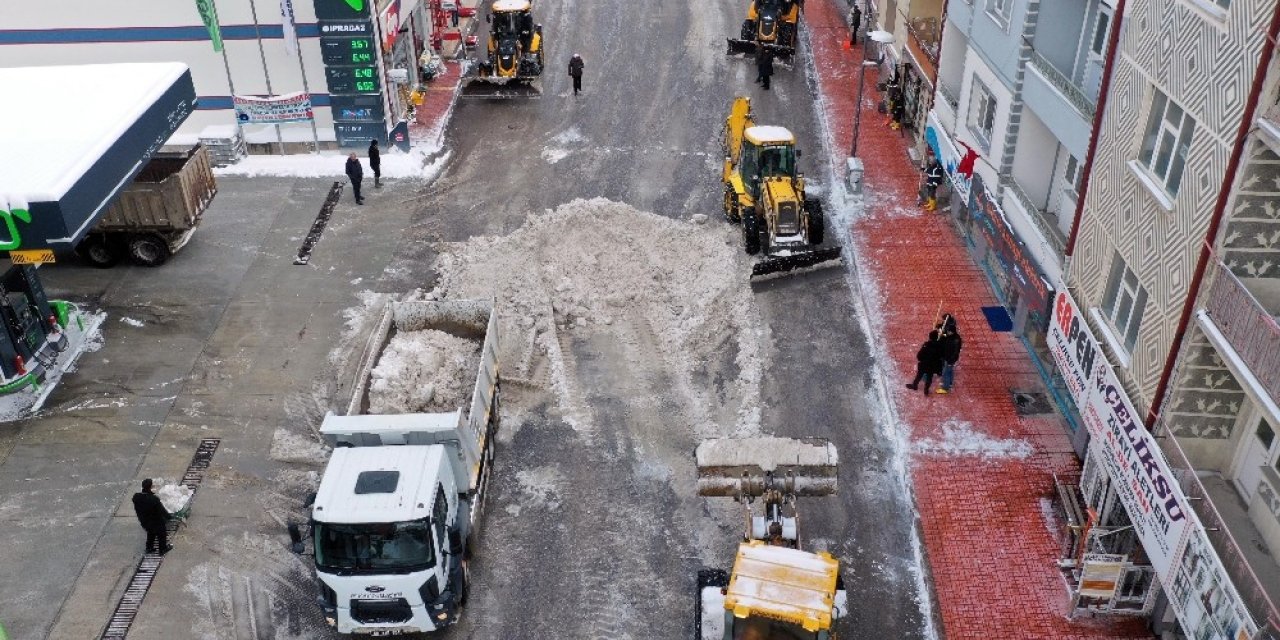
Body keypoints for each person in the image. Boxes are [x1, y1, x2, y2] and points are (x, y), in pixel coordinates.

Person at [132, 478, 172, 555]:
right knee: (161, 533)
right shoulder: (153, 499)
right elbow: (162, 510)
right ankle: (162, 549)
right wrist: (169, 517)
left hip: (144, 521)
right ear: (150, 487)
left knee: (151, 532)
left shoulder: (136, 497)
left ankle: (149, 548)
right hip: (155, 521)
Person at [906, 329, 944, 395]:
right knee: (929, 378)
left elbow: (919, 355)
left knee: (919, 375)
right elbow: (940, 356)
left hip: (924, 364)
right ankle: (926, 390)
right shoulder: (939, 346)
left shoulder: (926, 345)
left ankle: (915, 385)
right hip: (932, 365)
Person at [938, 314, 963, 394]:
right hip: (949, 358)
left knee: (946, 372)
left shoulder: (955, 340)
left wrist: (950, 360)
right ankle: (950, 383)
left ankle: (945, 388)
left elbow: (955, 352)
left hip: (950, 359)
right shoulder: (953, 337)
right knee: (950, 371)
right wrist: (943, 334)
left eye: (948, 331)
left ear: (951, 332)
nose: (947, 332)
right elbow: (946, 337)